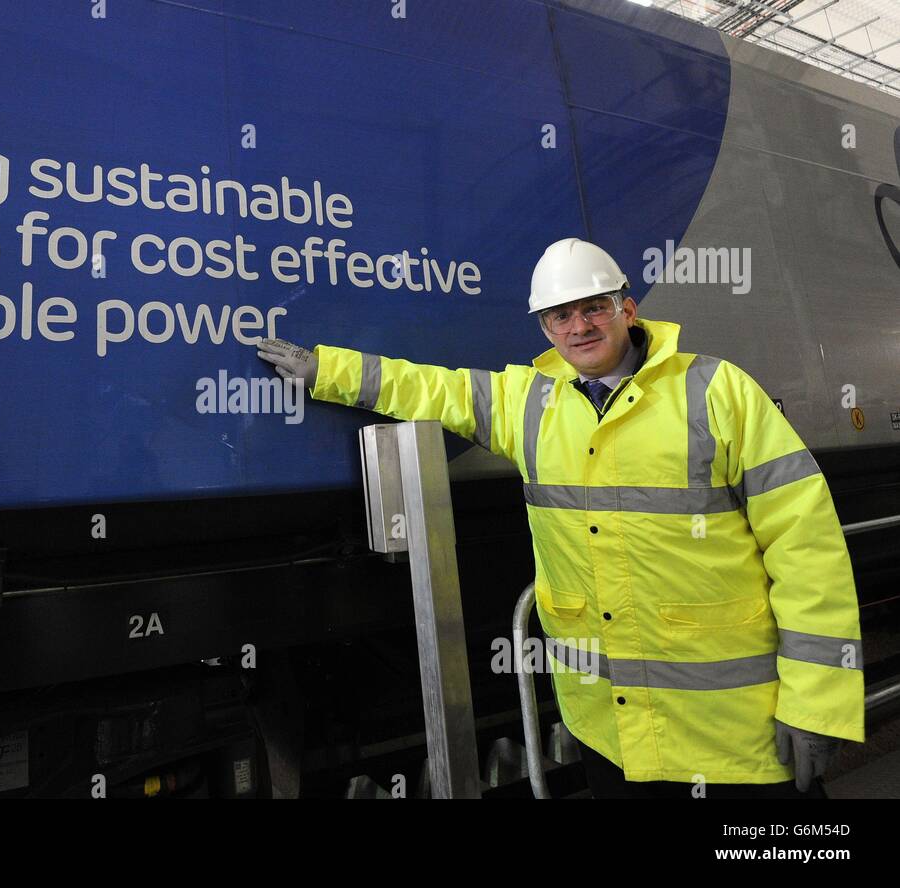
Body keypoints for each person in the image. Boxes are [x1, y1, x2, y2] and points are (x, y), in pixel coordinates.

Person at [254, 237, 864, 798]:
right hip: (611, 735)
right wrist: (325, 372)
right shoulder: (530, 403)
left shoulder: (716, 392)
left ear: (627, 308)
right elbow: (431, 389)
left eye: (593, 307)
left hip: (737, 738)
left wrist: (815, 705)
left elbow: (807, 549)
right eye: (560, 315)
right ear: (545, 328)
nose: (579, 326)